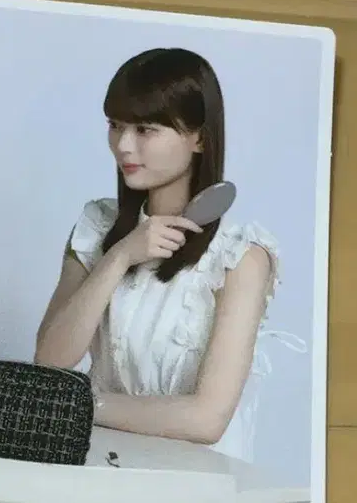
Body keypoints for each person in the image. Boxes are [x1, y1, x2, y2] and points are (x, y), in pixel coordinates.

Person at [34, 47, 288, 461]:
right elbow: (50, 361)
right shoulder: (97, 225)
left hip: (192, 481)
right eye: (115, 126)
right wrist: (119, 257)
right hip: (100, 462)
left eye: (145, 129)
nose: (123, 145)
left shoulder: (240, 257)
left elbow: (206, 420)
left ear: (199, 138)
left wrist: (79, 405)